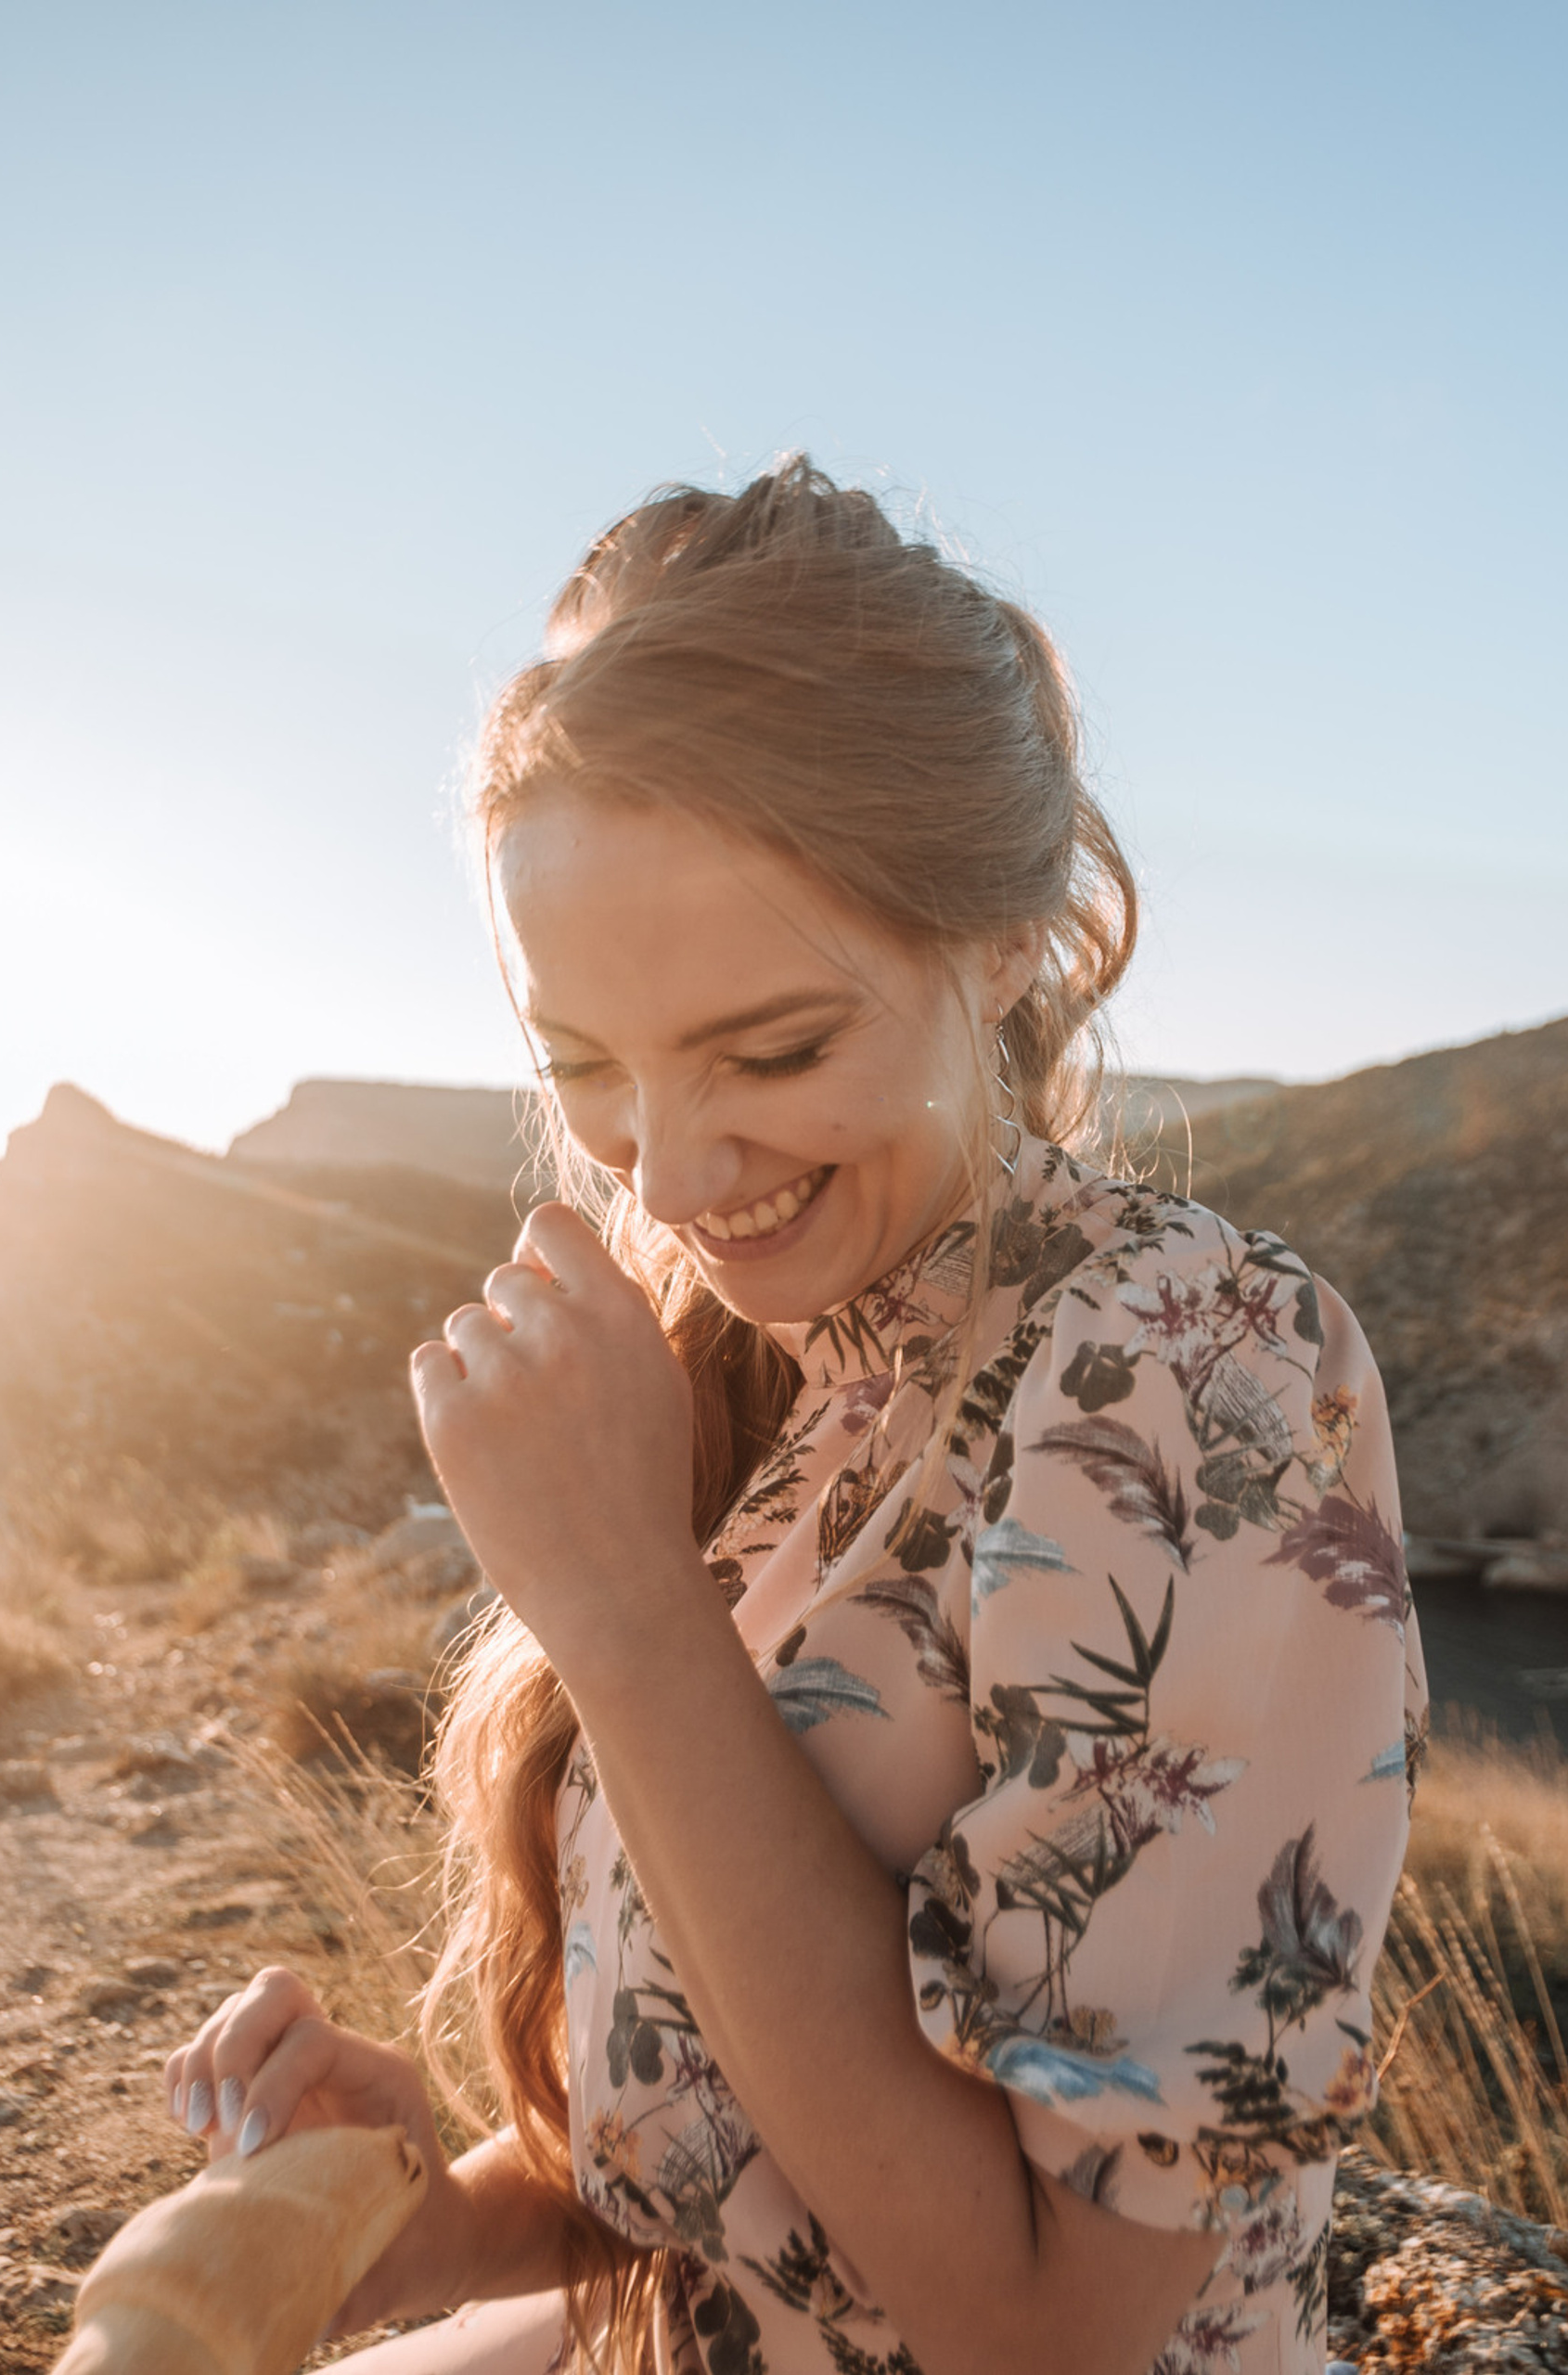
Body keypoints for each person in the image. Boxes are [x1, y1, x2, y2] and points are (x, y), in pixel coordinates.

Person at [162, 459, 1430, 2375]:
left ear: (999, 939)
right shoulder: (755, 1359)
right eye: (583, 1065)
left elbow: (1044, 2327)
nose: (665, 1170)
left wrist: (620, 1607)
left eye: (771, 1049)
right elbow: (747, 2151)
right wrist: (410, 2220)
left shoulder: (1196, 1373)